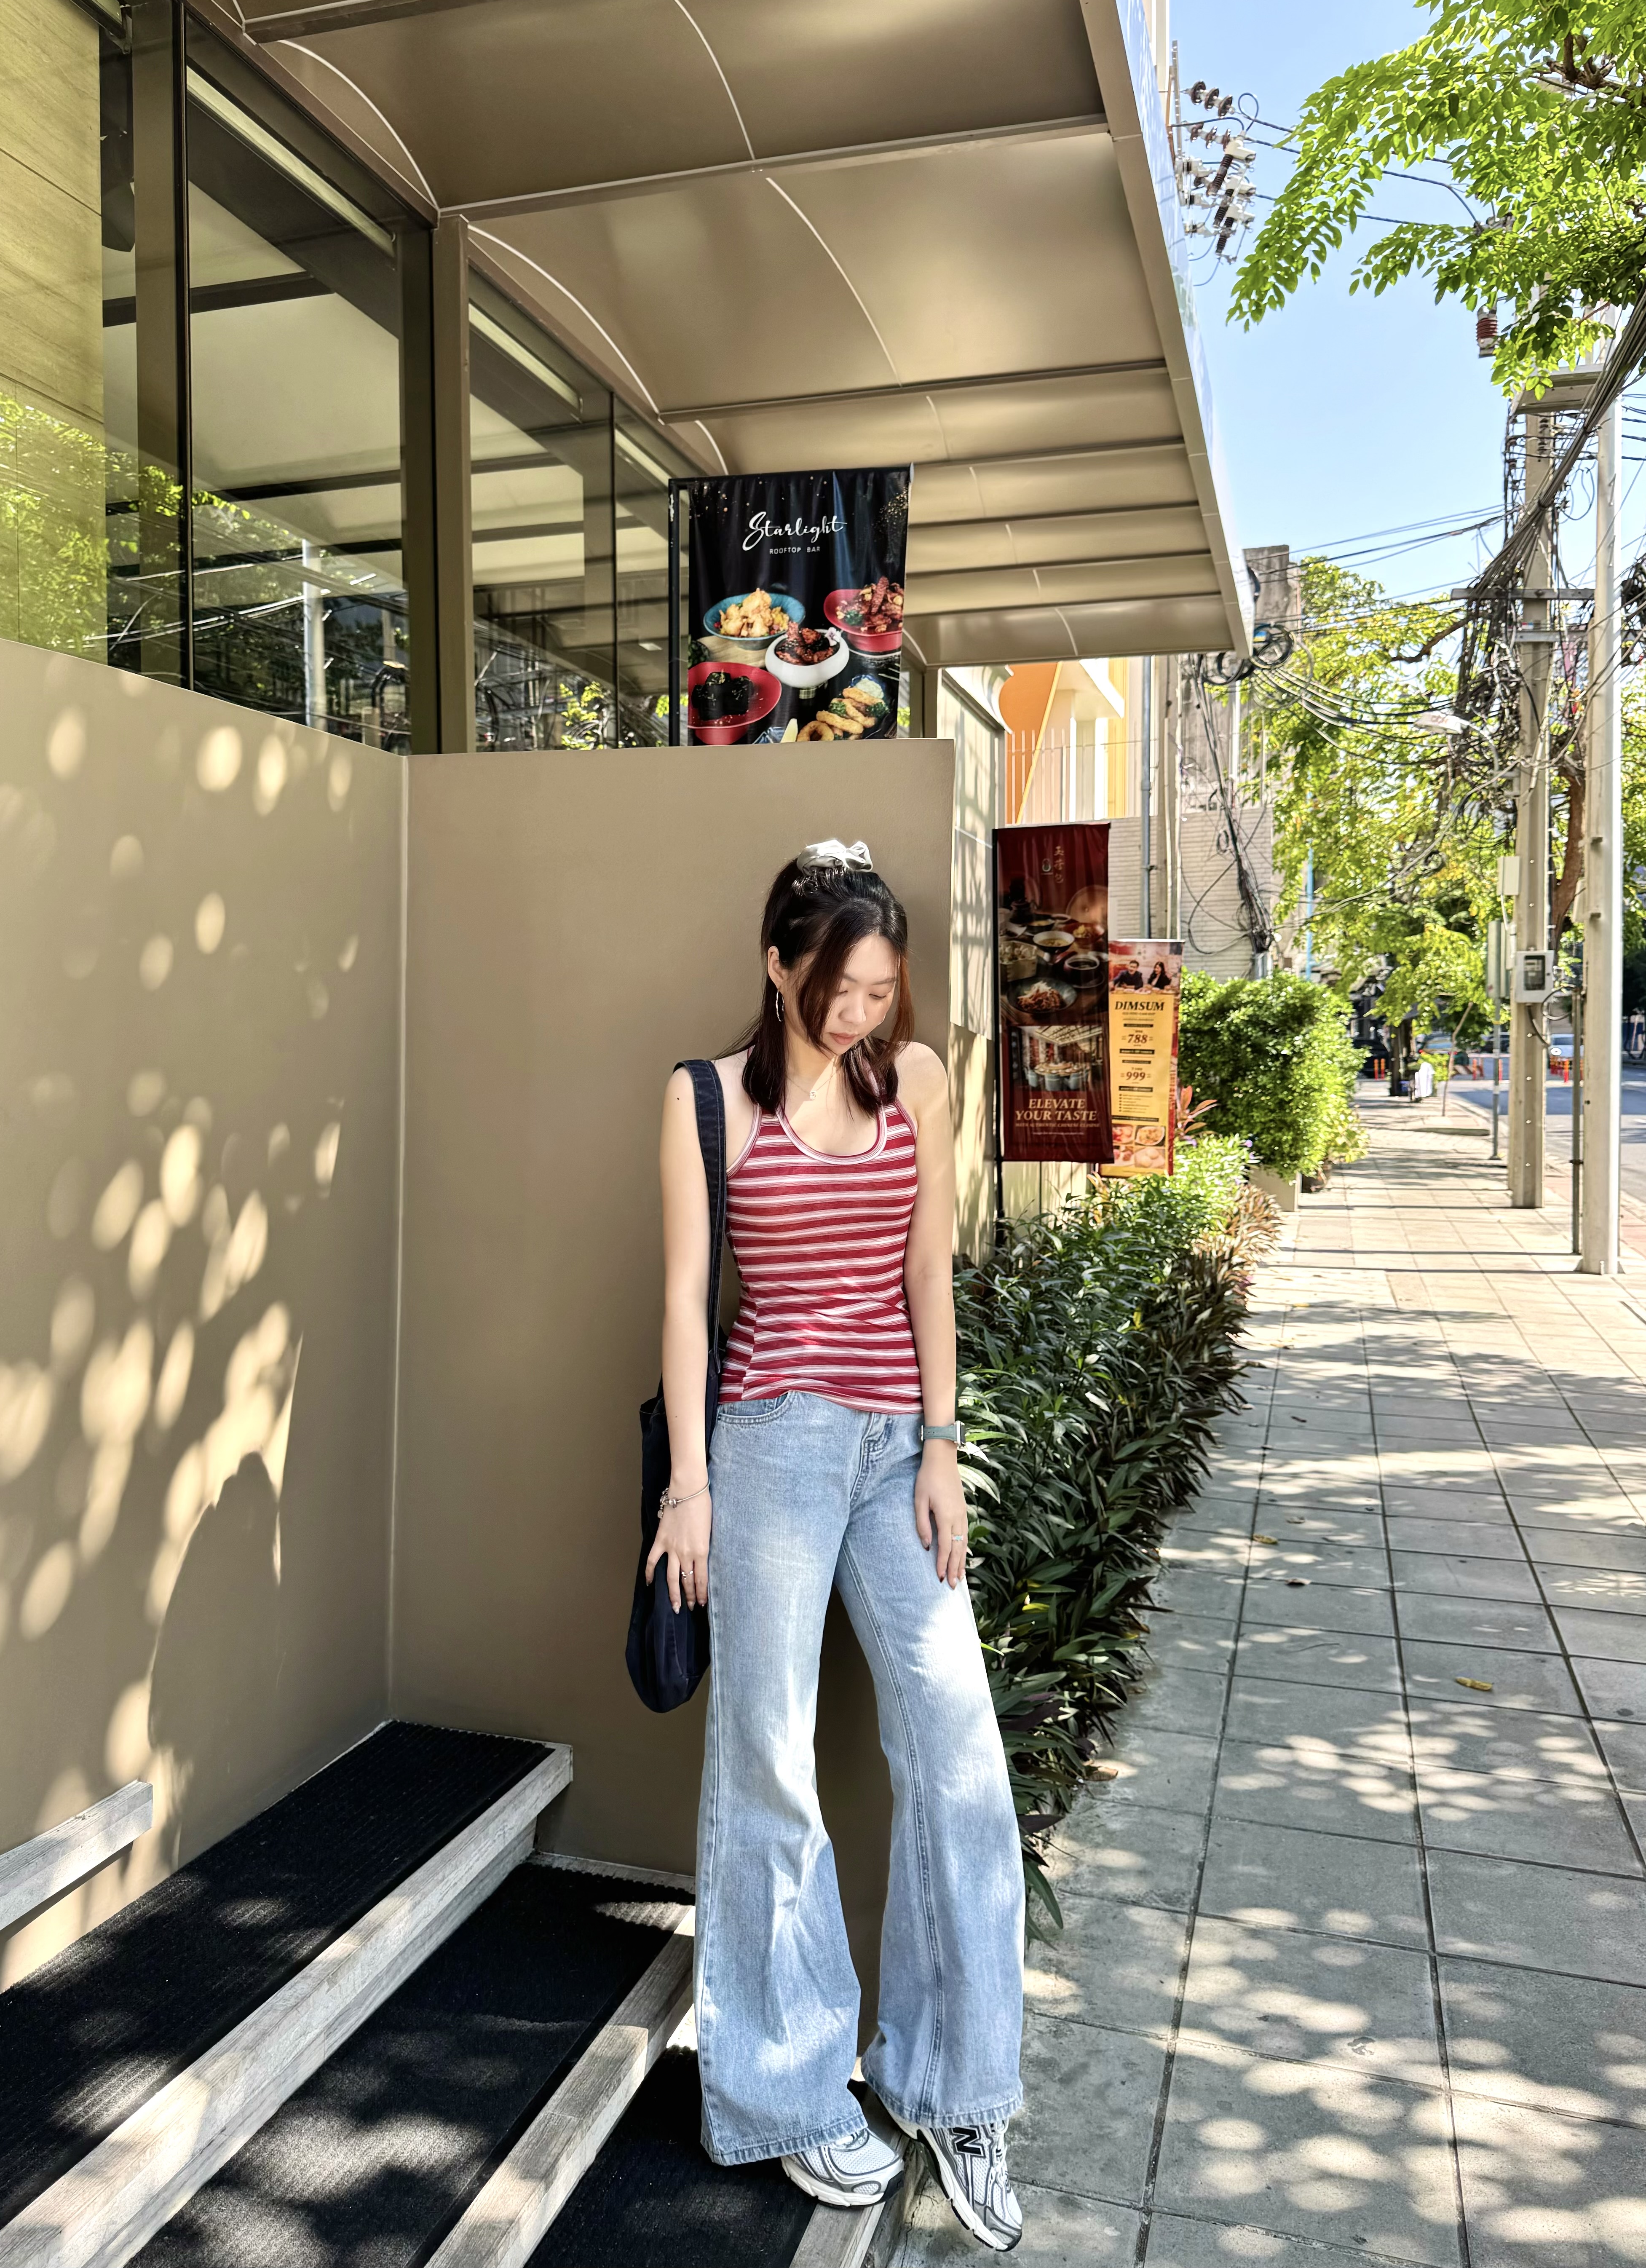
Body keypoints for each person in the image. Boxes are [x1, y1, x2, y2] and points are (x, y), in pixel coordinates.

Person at [651, 840, 1026, 2253]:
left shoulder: (913, 1079)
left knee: (958, 1752)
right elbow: (686, 1300)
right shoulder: (706, 1100)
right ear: (778, 966)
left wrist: (942, 1443)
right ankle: (787, 2090)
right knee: (768, 1759)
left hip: (891, 1452)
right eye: (839, 990)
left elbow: (929, 1268)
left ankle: (959, 2088)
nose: (863, 1013)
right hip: (769, 1445)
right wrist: (688, 1489)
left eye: (881, 990)